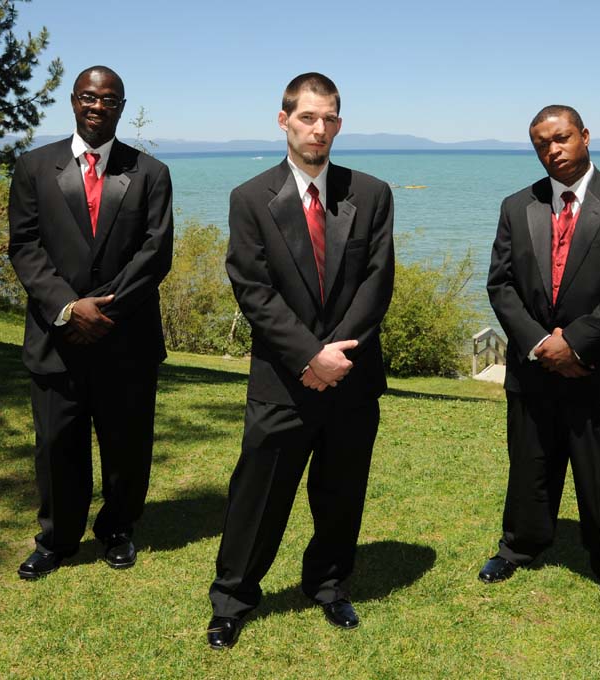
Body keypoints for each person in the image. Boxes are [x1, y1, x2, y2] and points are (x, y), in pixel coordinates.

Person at [206, 73, 394, 649]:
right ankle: (233, 598)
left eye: (330, 118)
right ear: (283, 119)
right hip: (282, 380)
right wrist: (310, 355)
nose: (319, 129)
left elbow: (376, 281)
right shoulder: (250, 198)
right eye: (308, 117)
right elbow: (253, 289)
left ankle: (329, 585)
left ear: (340, 124)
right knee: (258, 496)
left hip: (353, 375)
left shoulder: (372, 193)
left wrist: (337, 355)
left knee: (341, 491)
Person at [481, 105, 600, 607]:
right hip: (533, 367)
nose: (552, 150)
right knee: (529, 465)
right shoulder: (518, 206)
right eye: (541, 143)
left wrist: (576, 343)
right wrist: (541, 345)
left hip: (598, 368)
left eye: (561, 139)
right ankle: (519, 546)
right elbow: (501, 284)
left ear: (584, 136)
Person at [8, 66, 174, 580]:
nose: (97, 106)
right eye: (88, 97)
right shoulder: (35, 168)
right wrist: (68, 307)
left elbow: (156, 252)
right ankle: (57, 539)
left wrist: (105, 309)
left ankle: (118, 528)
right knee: (57, 445)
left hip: (126, 337)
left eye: (109, 99)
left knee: (127, 444)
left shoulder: (150, 173)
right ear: (74, 102)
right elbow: (25, 246)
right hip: (56, 336)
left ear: (121, 106)